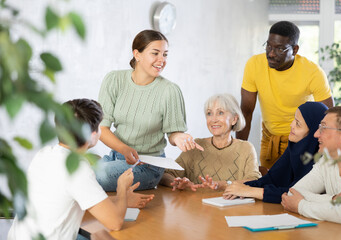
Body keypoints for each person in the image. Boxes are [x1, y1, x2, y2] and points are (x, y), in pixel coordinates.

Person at [7, 99, 154, 240]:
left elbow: (66, 199)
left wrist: (120, 200)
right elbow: (114, 223)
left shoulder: (44, 154)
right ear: (92, 135)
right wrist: (122, 188)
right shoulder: (77, 170)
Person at [96, 30, 203, 191]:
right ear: (137, 54)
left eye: (165, 55)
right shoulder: (114, 80)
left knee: (100, 175)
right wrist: (124, 150)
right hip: (115, 157)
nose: (162, 60)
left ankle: (156, 179)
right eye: (155, 53)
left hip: (148, 166)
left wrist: (179, 137)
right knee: (77, 170)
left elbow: (173, 133)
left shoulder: (170, 90)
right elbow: (102, 128)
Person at [237, 21, 334, 169]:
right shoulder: (254, 65)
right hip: (270, 138)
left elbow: (329, 116)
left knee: (295, 188)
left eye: (280, 49)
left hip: (301, 141)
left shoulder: (313, 72)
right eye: (268, 46)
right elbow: (246, 111)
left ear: (295, 50)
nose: (271, 53)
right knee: (267, 184)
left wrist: (324, 153)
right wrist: (239, 151)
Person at [281, 106, 341, 225]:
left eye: (323, 128)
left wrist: (301, 206)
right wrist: (334, 199)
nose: (316, 134)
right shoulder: (327, 161)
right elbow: (293, 193)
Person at [223, 102, 328, 203]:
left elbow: (296, 194)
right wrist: (240, 187)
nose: (291, 125)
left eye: (298, 124)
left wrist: (250, 191)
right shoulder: (294, 148)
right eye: (294, 120)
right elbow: (270, 180)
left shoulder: (323, 161)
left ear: (313, 132)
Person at [160, 94, 261, 191]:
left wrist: (222, 185)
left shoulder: (246, 148)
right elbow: (163, 175)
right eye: (209, 113)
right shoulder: (196, 146)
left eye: (220, 112)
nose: (213, 119)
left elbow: (255, 181)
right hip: (196, 206)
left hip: (232, 207)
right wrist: (177, 182)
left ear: (234, 119)